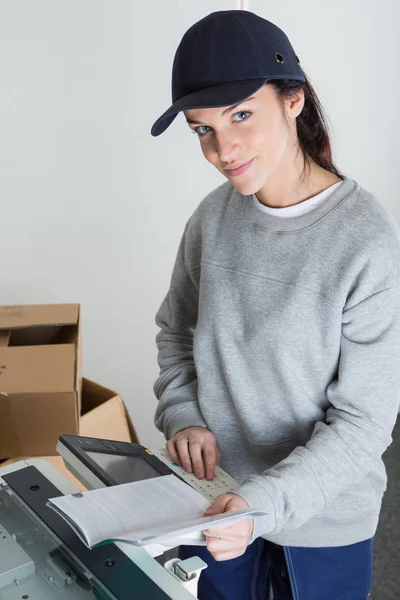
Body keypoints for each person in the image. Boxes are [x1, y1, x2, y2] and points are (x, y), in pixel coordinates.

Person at [150, 10, 400, 600]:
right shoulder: (212, 219)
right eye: (202, 129)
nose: (222, 148)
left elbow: (364, 422)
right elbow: (175, 332)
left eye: (240, 115)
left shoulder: (364, 242)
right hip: (213, 500)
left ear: (294, 100)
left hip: (322, 521)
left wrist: (261, 503)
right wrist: (183, 414)